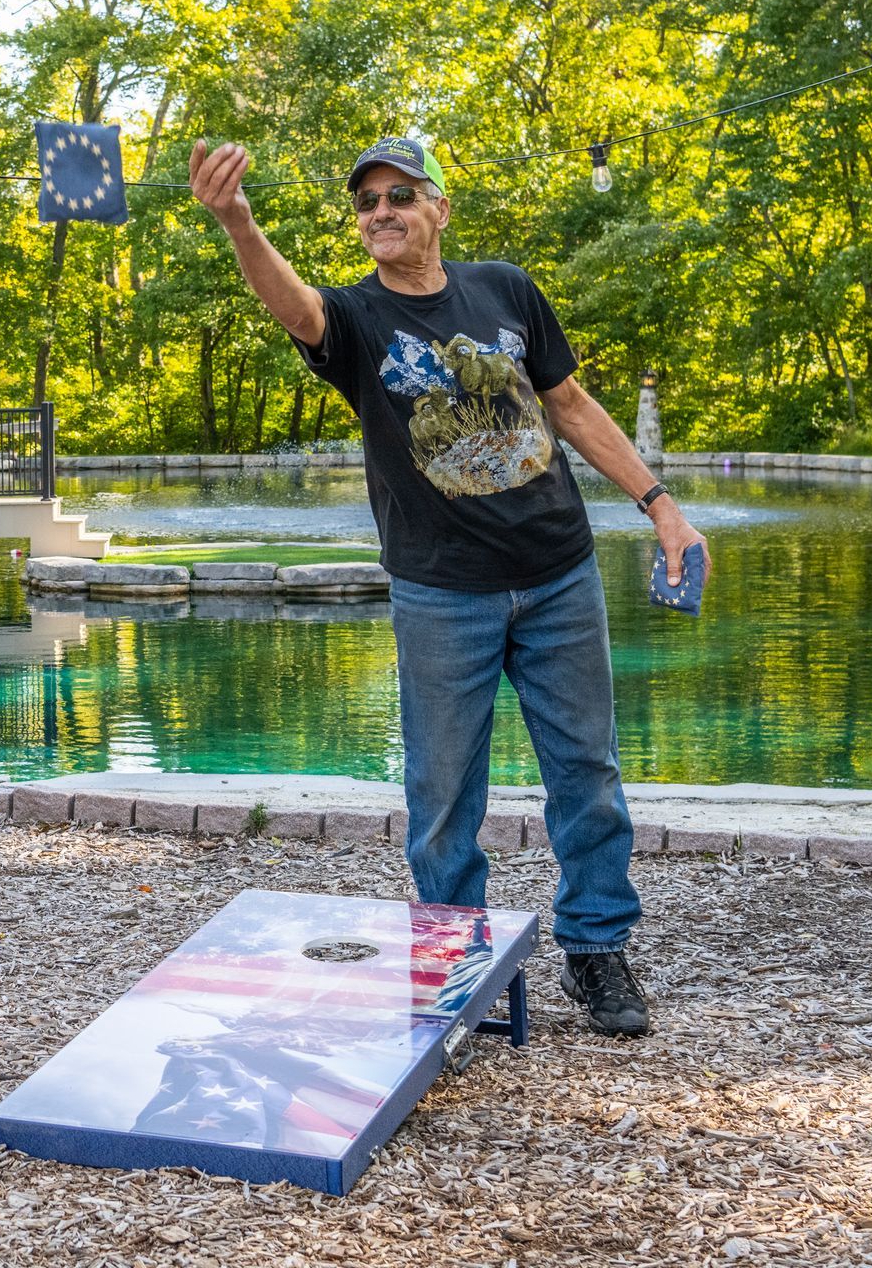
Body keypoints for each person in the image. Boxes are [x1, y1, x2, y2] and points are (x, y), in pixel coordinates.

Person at [188, 134, 710, 1037]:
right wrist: (238, 224)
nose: (380, 212)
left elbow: (572, 407)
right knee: (441, 798)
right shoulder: (354, 320)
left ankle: (594, 948)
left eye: (399, 195)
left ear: (439, 208)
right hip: (441, 594)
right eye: (366, 202)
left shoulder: (505, 290)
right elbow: (292, 304)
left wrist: (659, 504)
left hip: (558, 577)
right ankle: (456, 965)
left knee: (587, 775)